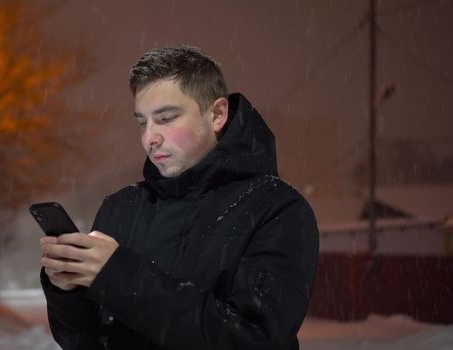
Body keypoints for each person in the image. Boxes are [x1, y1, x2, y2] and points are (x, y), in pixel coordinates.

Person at [40, 46, 319, 350]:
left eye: (167, 118)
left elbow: (253, 340)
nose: (150, 137)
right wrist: (66, 292)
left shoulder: (278, 209)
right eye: (142, 122)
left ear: (217, 114)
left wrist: (119, 276)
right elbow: (83, 342)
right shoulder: (122, 208)